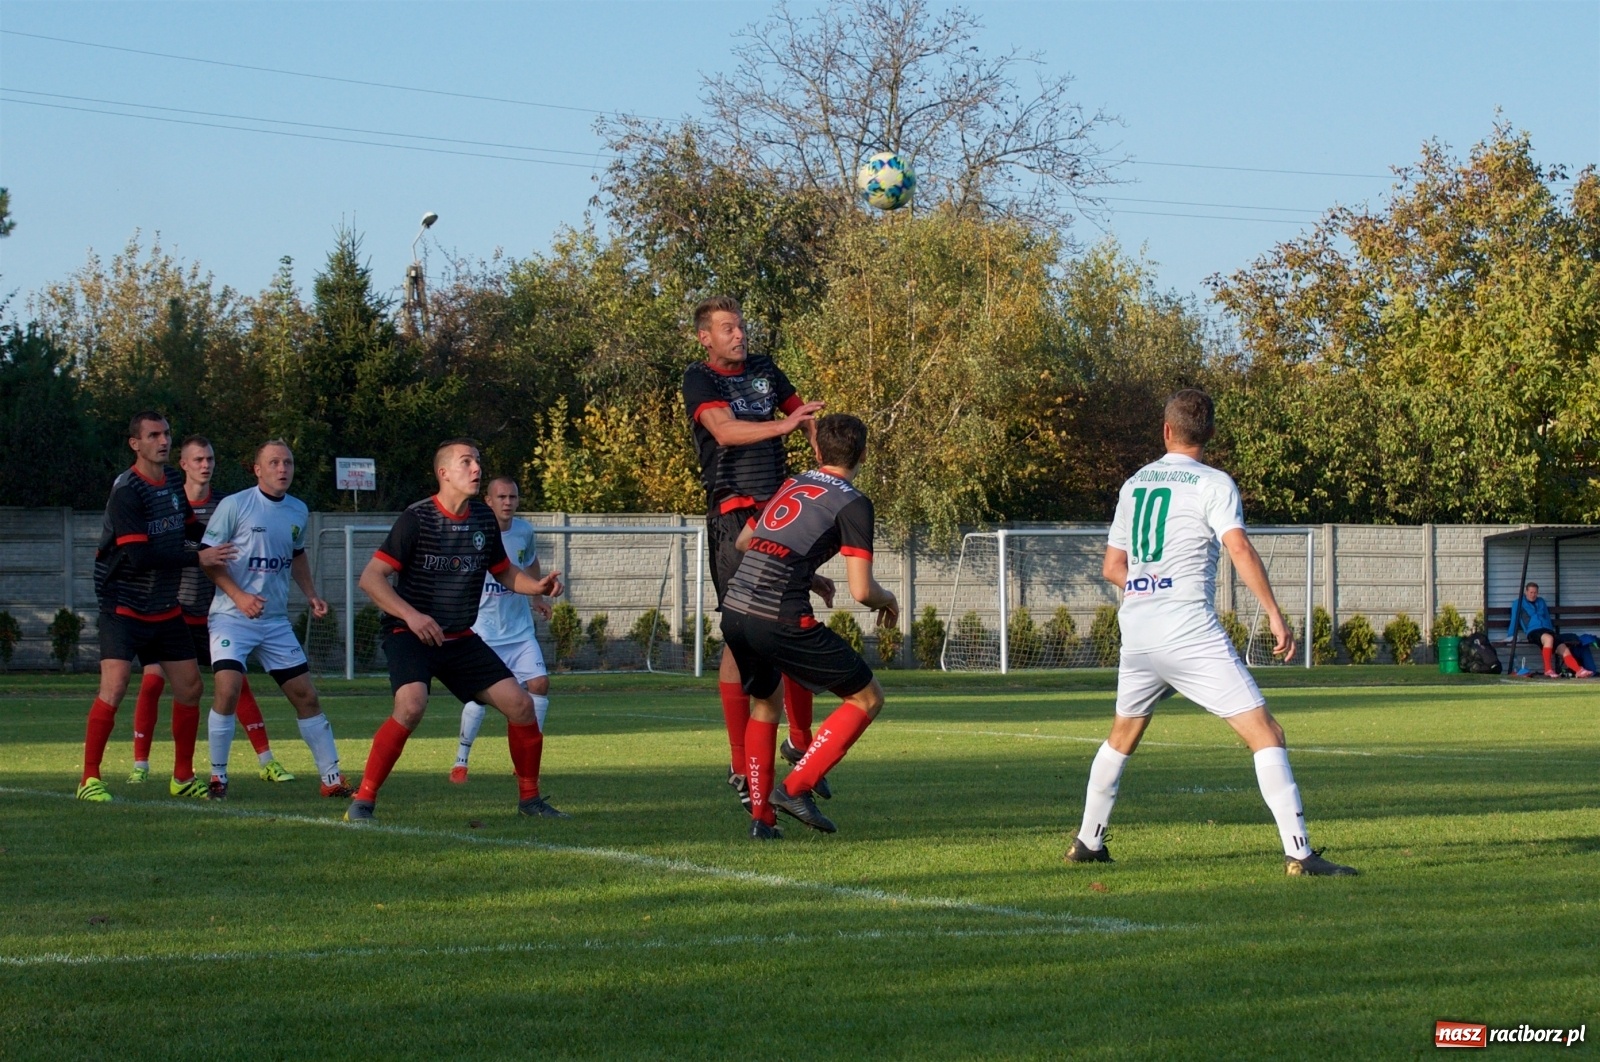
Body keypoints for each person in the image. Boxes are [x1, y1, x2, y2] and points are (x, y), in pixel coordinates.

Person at [1066, 389, 1358, 876]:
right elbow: (1238, 547)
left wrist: (1148, 581)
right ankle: (1301, 853)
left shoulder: (1135, 483)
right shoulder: (1213, 483)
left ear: (1166, 431)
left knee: (1121, 737)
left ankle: (1088, 840)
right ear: (1212, 435)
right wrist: (1273, 612)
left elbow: (1113, 566)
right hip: (1188, 628)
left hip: (1138, 630)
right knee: (1267, 734)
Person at [346, 439, 565, 822]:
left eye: (478, 461)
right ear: (443, 473)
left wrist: (537, 587)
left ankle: (530, 800)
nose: (476, 469)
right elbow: (371, 578)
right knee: (411, 706)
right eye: (467, 462)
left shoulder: (482, 520)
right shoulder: (417, 519)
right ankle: (363, 801)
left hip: (459, 638)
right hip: (409, 635)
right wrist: (412, 616)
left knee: (521, 705)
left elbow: (504, 571)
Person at [682, 295, 830, 809]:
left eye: (741, 326)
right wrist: (783, 426)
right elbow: (723, 430)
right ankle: (739, 760)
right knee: (743, 635)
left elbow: (801, 411)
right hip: (733, 515)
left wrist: (815, 440)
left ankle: (799, 745)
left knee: (795, 621)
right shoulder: (698, 379)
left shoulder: (766, 369)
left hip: (777, 511)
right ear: (705, 337)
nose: (739, 334)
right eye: (727, 328)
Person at [722, 414, 898, 839]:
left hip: (735, 611)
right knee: (867, 697)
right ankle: (796, 787)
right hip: (778, 615)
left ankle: (761, 821)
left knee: (766, 704)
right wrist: (888, 599)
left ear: (817, 452)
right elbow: (861, 591)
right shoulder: (853, 501)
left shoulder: (792, 483)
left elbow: (746, 543)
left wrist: (808, 572)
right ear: (864, 454)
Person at [76, 412, 236, 802]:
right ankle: (89, 779)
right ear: (136, 443)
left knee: (190, 687)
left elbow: (189, 531)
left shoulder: (172, 485)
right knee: (114, 687)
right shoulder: (128, 491)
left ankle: (182, 777)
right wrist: (199, 557)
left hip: (163, 606)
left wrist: (229, 543)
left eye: (166, 434)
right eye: (153, 435)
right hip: (124, 606)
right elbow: (137, 557)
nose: (163, 441)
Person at [127, 435, 291, 786]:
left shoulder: (228, 504)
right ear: (183, 464)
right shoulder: (167, 504)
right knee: (154, 680)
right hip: (173, 608)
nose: (206, 465)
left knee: (234, 685)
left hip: (218, 609)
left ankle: (267, 759)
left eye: (210, 459)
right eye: (198, 459)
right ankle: (141, 764)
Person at [199, 440, 351, 800]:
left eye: (288, 463)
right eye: (274, 463)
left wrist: (311, 594)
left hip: (275, 621)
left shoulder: (298, 510)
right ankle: (218, 777)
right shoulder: (235, 505)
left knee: (306, 696)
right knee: (228, 688)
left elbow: (296, 555)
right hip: (231, 617)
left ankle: (332, 779)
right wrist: (239, 596)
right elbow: (207, 559)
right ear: (258, 469)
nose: (282, 469)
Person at [451, 476, 553, 783]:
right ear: (488, 501)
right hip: (483, 632)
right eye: (502, 497)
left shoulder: (524, 531)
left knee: (539, 684)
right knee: (476, 698)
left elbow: (531, 563)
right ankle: (461, 761)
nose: (508, 502)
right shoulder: (475, 531)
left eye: (513, 497)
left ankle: (525, 758)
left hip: (519, 631)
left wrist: (537, 596)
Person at [1507, 582, 1593, 679]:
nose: (1533, 595)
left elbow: (1547, 617)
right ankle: (1548, 670)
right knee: (1549, 639)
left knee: (1563, 647)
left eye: (1535, 592)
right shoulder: (1518, 603)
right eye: (1531, 592)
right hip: (1533, 631)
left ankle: (1578, 670)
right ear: (1526, 592)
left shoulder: (1541, 601)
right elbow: (1514, 619)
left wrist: (1551, 631)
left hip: (1547, 630)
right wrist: (1511, 636)